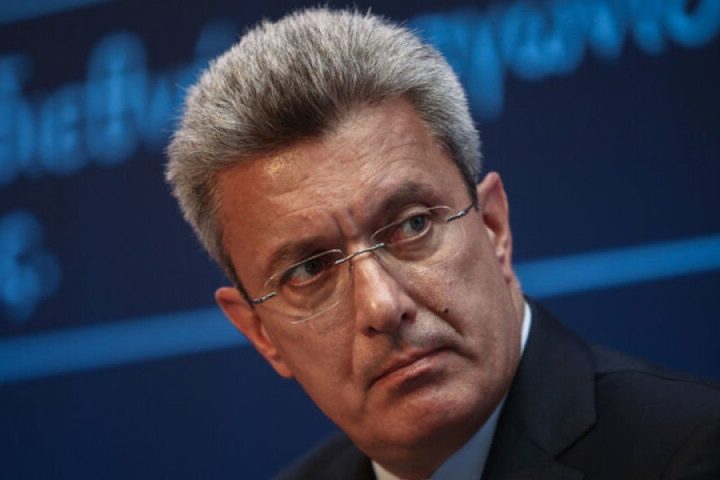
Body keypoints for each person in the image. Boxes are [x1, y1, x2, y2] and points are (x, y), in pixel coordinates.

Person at [166, 8, 720, 480]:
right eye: (310, 270)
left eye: (412, 226)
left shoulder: (693, 452)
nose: (382, 306)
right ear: (261, 334)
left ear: (494, 228)